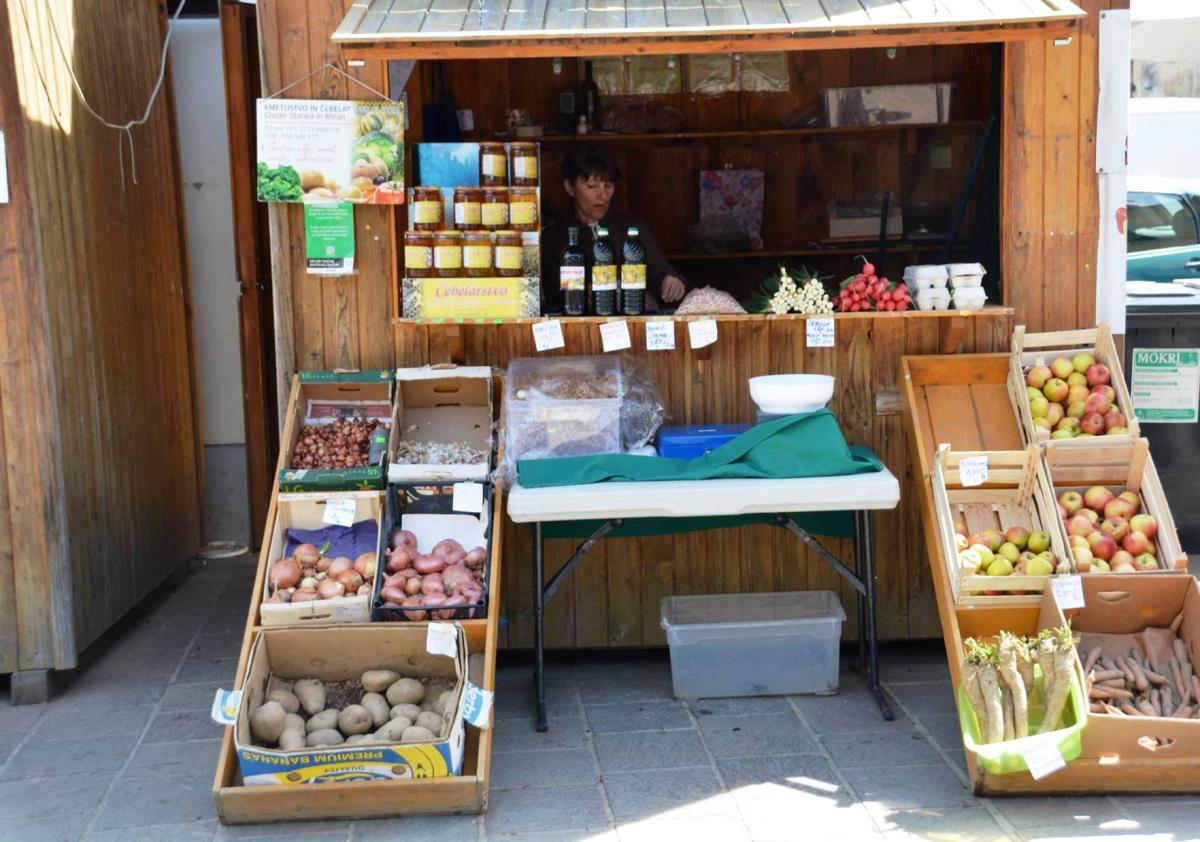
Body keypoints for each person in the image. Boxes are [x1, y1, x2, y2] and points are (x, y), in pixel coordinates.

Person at [541, 144, 687, 313]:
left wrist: (670, 280)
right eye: (592, 186)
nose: (602, 195)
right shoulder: (555, 236)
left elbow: (658, 269)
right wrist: (582, 293)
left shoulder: (630, 227)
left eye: (608, 186)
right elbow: (552, 291)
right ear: (570, 187)